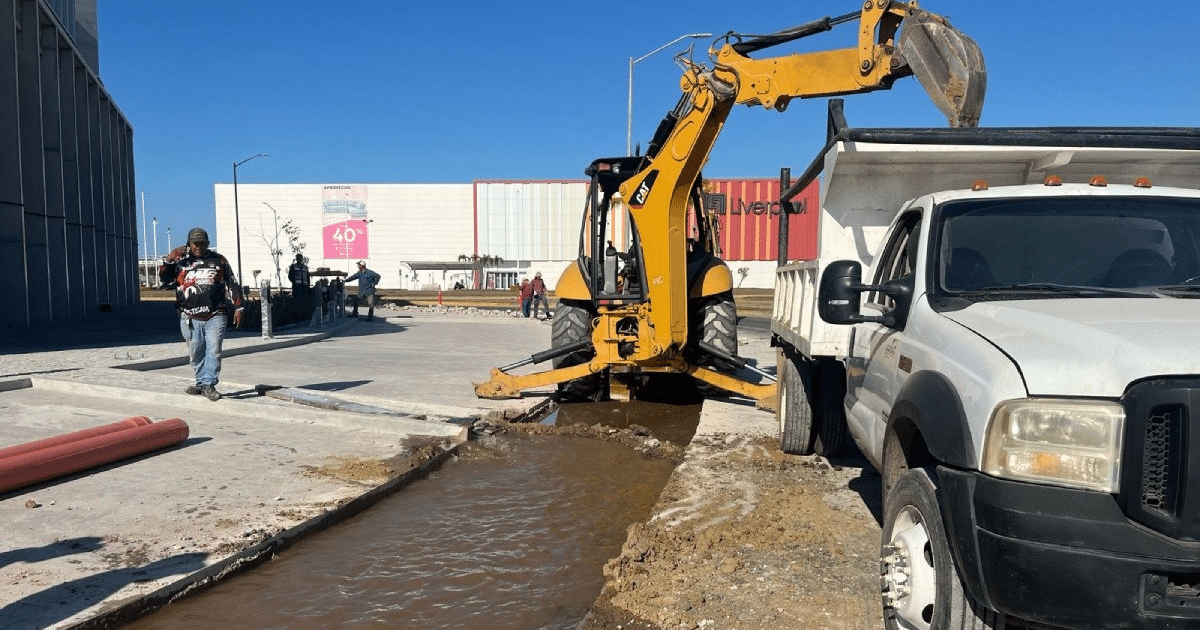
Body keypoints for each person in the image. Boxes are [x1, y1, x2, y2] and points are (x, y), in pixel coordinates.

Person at [162, 227, 244, 401]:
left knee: (213, 349)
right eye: (195, 243)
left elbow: (232, 283)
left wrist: (238, 307)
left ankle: (209, 384)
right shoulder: (181, 263)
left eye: (202, 243)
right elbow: (165, 278)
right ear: (189, 244)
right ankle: (200, 383)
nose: (199, 246)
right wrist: (169, 259)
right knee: (196, 351)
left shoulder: (219, 260)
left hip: (216, 314)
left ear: (208, 244)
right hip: (189, 316)